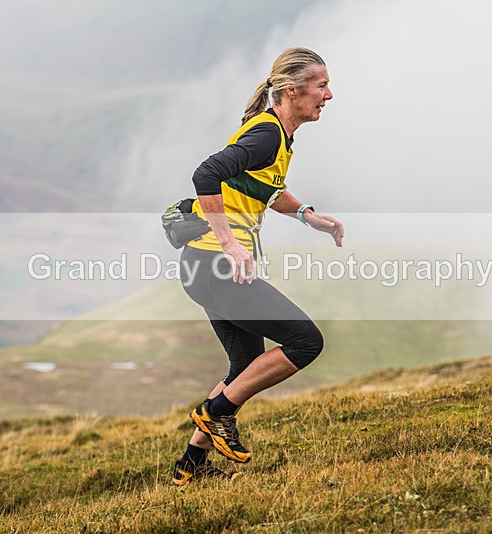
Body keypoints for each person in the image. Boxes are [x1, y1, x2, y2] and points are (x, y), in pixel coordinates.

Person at [172, 47, 345, 485]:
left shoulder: (276, 135)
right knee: (305, 341)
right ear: (292, 89)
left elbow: (256, 186)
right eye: (322, 85)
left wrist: (309, 215)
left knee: (244, 364)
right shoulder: (267, 134)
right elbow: (206, 174)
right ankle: (216, 414)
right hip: (216, 263)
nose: (329, 94)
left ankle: (190, 469)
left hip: (203, 267)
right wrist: (230, 243)